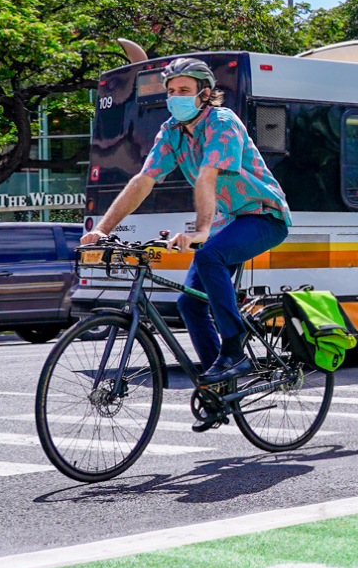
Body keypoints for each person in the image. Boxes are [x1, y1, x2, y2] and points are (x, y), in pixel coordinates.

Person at [81, 58, 293, 386]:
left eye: (184, 90)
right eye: (170, 91)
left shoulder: (222, 122)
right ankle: (218, 386)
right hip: (227, 222)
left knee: (210, 256)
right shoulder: (171, 133)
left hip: (263, 216)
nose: (174, 96)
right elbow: (143, 181)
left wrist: (202, 231)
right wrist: (102, 229)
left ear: (204, 94)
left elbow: (208, 177)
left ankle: (234, 351)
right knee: (188, 304)